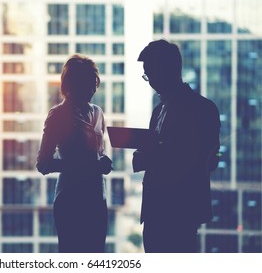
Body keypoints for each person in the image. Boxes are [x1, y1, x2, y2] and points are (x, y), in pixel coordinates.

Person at [133, 39, 221, 253]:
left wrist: (149, 157)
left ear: (166, 70)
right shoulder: (161, 110)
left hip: (179, 210)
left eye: (150, 74)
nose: (150, 82)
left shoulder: (202, 109)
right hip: (157, 209)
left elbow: (199, 160)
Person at [36, 54, 112, 253]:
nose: (91, 89)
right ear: (70, 84)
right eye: (86, 83)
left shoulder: (97, 112)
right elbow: (43, 164)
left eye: (93, 83)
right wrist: (87, 166)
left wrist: (102, 161)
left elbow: (96, 153)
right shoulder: (58, 115)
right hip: (71, 199)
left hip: (96, 197)